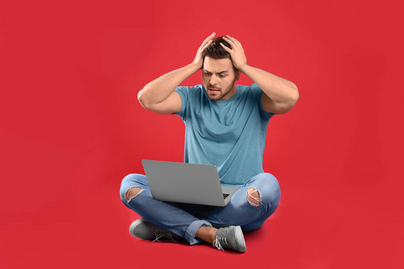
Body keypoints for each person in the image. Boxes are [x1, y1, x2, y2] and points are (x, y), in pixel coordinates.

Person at [120, 32, 299, 253]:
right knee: (129, 185)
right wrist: (193, 65)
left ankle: (177, 226)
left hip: (241, 202)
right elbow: (147, 98)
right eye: (207, 73)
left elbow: (290, 96)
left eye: (222, 74)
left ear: (237, 75)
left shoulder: (254, 99)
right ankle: (210, 233)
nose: (212, 81)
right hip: (193, 198)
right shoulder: (192, 97)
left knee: (269, 186)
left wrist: (245, 65)